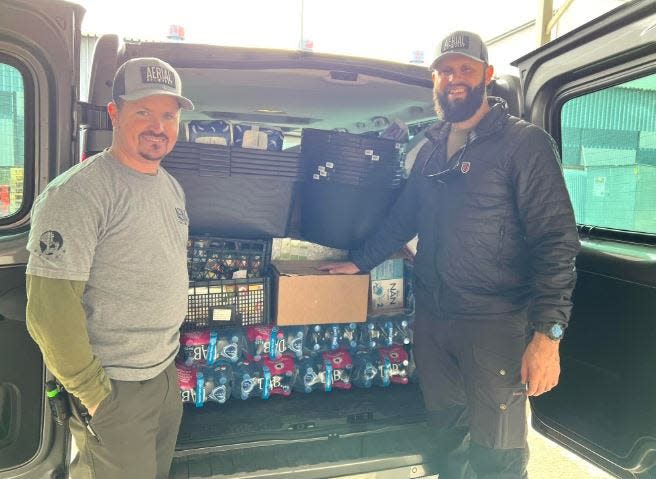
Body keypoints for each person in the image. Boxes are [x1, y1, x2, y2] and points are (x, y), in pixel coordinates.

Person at [322, 31, 580, 479]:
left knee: (497, 451)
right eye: (445, 71)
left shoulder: (524, 145)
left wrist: (547, 337)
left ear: (487, 76)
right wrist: (360, 262)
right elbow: (404, 218)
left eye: (465, 69)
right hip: (434, 320)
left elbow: (556, 241)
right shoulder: (431, 148)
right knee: (446, 439)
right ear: (434, 80)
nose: (454, 78)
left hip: (494, 324)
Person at [25, 57, 194, 479]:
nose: (159, 126)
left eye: (168, 115)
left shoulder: (170, 187)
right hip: (115, 386)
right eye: (143, 112)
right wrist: (95, 396)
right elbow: (49, 312)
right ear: (115, 114)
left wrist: (169, 372)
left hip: (162, 375)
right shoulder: (79, 193)